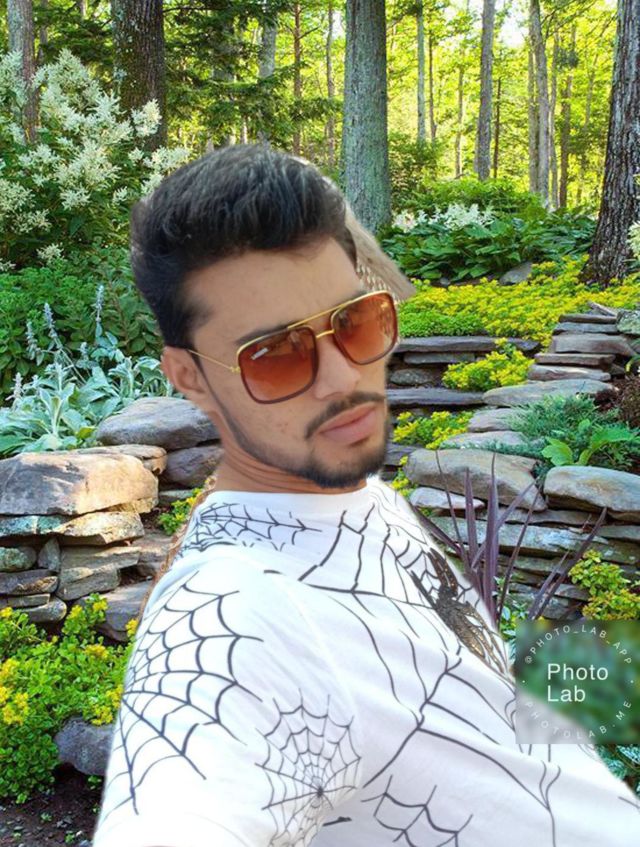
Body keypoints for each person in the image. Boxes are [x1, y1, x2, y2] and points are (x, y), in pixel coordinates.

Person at [91, 143, 640, 847]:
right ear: (189, 377)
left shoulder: (358, 494)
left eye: (355, 321)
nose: (342, 377)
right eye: (275, 354)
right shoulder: (231, 611)